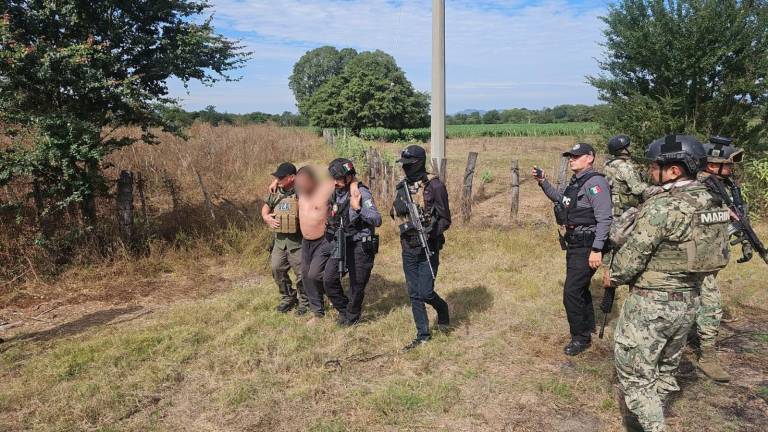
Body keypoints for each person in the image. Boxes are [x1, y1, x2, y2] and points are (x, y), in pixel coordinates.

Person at [610, 135, 730, 432]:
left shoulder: (663, 206)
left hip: (652, 304)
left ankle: (652, 424)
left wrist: (613, 270)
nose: (650, 171)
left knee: (636, 377)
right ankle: (650, 417)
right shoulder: (713, 199)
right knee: (665, 369)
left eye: (655, 166)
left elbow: (630, 261)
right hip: (689, 300)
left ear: (674, 170)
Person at [532, 143, 613, 356]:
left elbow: (605, 218)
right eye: (570, 156)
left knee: (571, 292)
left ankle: (580, 338)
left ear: (590, 158)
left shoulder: (596, 183)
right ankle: (587, 327)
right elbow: (561, 199)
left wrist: (597, 249)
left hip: (588, 244)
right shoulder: (576, 183)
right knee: (580, 288)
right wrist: (543, 182)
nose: (572, 159)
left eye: (577, 156)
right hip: (575, 243)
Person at [690, 136, 746, 382]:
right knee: (710, 304)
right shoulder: (698, 187)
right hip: (694, 257)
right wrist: (723, 214)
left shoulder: (724, 185)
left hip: (712, 256)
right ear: (712, 164)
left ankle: (691, 333)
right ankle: (707, 355)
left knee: (694, 300)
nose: (731, 169)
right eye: (727, 164)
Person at [391, 145, 452, 351]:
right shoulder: (402, 187)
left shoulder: (435, 186)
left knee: (426, 292)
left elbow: (446, 219)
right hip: (408, 245)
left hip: (429, 245)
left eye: (409, 165)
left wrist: (430, 229)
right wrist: (397, 209)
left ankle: (442, 309)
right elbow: (394, 213)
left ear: (418, 163)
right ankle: (423, 334)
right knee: (413, 292)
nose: (406, 169)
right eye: (404, 166)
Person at [600, 135, 653, 324]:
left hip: (612, 214)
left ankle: (608, 285)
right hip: (626, 215)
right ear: (624, 149)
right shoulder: (625, 166)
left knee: (611, 256)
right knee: (632, 253)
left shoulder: (608, 165)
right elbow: (638, 189)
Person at [323, 158, 382, 326]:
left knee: (357, 285)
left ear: (349, 177)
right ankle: (344, 309)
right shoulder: (336, 191)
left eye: (338, 178)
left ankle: (352, 316)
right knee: (329, 279)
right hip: (341, 242)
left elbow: (377, 219)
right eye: (333, 178)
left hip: (359, 245)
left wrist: (357, 208)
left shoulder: (362, 193)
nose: (334, 182)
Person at [262, 162, 309, 314]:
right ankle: (288, 297)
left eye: (281, 177)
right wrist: (266, 217)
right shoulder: (276, 191)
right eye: (277, 177)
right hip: (280, 242)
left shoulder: (302, 190)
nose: (278, 179)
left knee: (302, 274)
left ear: (292, 177)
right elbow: (266, 206)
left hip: (298, 242)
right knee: (277, 269)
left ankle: (305, 301)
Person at [293, 166, 336, 325]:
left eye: (303, 183)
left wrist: (353, 186)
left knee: (314, 274)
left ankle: (333, 297)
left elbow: (350, 179)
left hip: (323, 240)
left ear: (312, 180)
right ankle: (317, 312)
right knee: (305, 275)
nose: (300, 187)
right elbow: (285, 181)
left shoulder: (326, 188)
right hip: (306, 242)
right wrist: (276, 181)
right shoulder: (299, 191)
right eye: (298, 184)